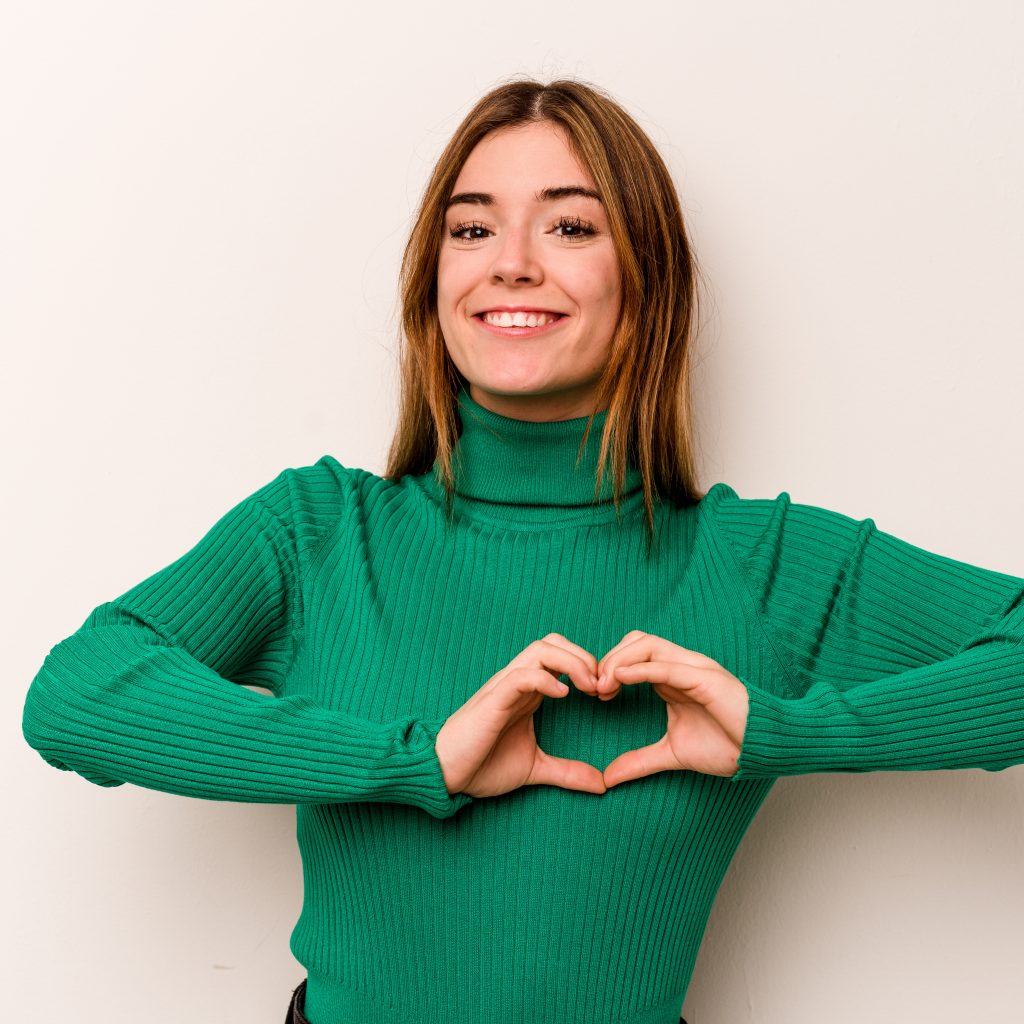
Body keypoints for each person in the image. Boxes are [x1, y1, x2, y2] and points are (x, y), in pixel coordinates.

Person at [22, 76, 1024, 1024]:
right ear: (434, 284)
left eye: (570, 224)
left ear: (648, 280)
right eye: (471, 228)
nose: (510, 261)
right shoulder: (320, 532)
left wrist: (782, 733)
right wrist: (416, 762)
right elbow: (77, 696)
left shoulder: (759, 565)